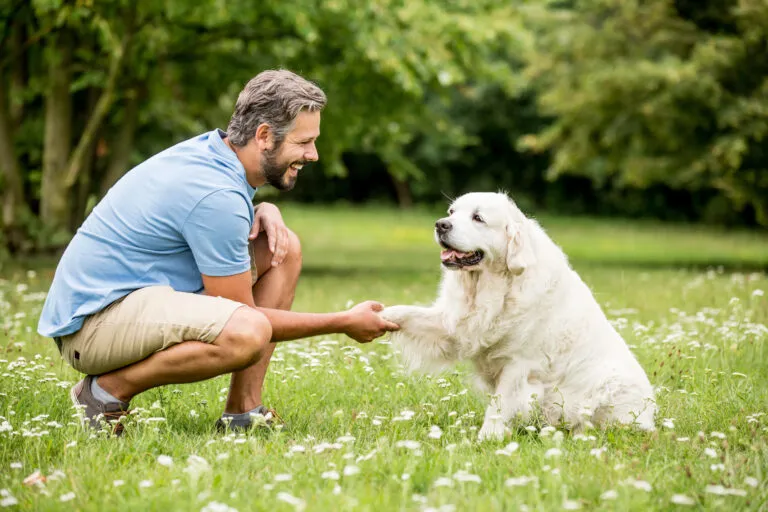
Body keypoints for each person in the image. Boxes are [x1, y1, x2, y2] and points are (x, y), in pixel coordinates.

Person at [37, 69, 400, 436]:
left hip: (128, 300)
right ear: (263, 136)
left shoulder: (217, 154)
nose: (314, 154)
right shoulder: (215, 194)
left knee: (283, 248)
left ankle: (243, 411)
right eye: (303, 142)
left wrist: (262, 210)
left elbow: (205, 218)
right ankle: (103, 394)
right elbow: (243, 315)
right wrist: (342, 321)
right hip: (92, 326)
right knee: (247, 331)